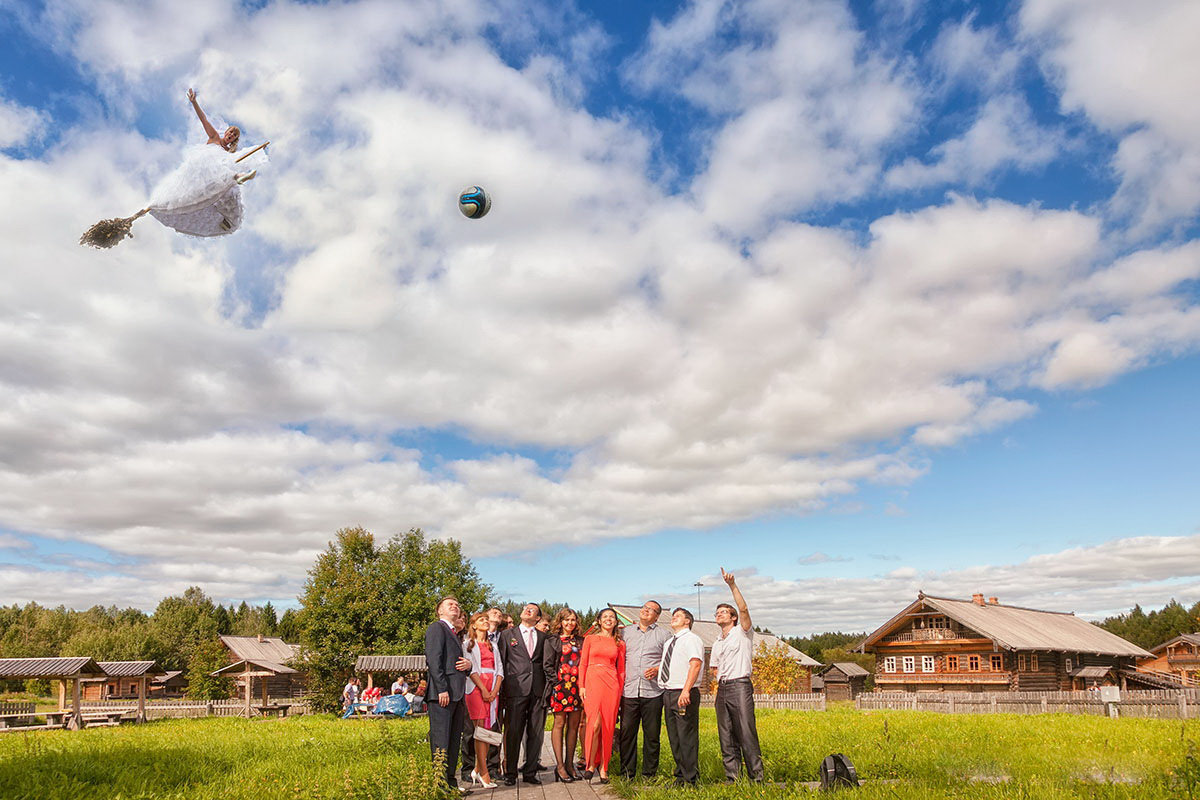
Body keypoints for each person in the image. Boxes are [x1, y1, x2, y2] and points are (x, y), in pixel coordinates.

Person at [711, 567, 765, 782]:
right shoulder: (717, 641)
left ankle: (756, 778)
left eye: (724, 612)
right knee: (726, 735)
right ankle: (733, 778)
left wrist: (732, 585)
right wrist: (718, 684)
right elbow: (714, 667)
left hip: (740, 686)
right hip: (722, 688)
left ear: (733, 618)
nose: (719, 615)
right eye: (717, 613)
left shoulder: (742, 632)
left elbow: (744, 609)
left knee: (746, 732)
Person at [497, 602, 551, 786]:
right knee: (513, 732)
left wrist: (547, 690)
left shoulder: (544, 638)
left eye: (532, 610)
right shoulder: (507, 635)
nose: (527, 610)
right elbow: (502, 663)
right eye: (526, 608)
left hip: (537, 690)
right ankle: (510, 773)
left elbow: (546, 664)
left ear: (537, 618)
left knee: (536, 732)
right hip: (515, 689)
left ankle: (530, 771)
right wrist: (502, 691)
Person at [424, 596, 472, 790]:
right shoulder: (437, 628)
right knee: (441, 741)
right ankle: (439, 785)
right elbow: (434, 661)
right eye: (449, 604)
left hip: (457, 695)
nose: (455, 606)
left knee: (453, 742)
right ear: (440, 611)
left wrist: (468, 666)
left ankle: (450, 784)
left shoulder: (454, 633)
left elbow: (457, 663)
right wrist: (442, 688)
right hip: (442, 695)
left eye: (457, 605)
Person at [619, 600, 672, 780]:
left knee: (652, 735)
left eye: (651, 610)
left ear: (657, 616)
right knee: (627, 734)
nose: (646, 611)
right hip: (629, 691)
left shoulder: (664, 635)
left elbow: (670, 660)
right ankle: (627, 773)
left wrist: (657, 669)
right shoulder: (624, 633)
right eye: (644, 607)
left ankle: (649, 774)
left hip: (653, 692)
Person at [659, 607, 704, 787]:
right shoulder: (669, 642)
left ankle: (691, 779)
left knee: (687, 736)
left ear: (687, 621)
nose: (673, 618)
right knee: (674, 737)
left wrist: (686, 690)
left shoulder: (692, 639)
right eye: (673, 616)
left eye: (678, 616)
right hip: (668, 692)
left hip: (683, 692)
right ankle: (680, 776)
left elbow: (695, 665)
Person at [580, 608, 626, 783]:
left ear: (615, 622)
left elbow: (621, 670)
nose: (609, 619)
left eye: (612, 617)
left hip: (611, 685)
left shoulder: (619, 643)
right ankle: (590, 763)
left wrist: (620, 693)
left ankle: (603, 768)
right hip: (592, 683)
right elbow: (583, 664)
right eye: (605, 617)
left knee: (607, 725)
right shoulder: (590, 639)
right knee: (594, 724)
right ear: (599, 621)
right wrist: (581, 686)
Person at [464, 611, 504, 789]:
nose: (486, 622)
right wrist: (483, 689)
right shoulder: (467, 645)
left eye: (487, 619)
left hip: (492, 687)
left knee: (489, 730)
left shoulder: (493, 645)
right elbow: (471, 670)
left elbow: (500, 669)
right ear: (474, 625)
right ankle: (483, 771)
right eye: (482, 620)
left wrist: (495, 690)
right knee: (479, 728)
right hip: (476, 687)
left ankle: (477, 768)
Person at [544, 607, 584, 782]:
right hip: (561, 687)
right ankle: (559, 766)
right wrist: (556, 684)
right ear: (560, 622)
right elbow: (547, 665)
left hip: (578, 688)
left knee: (574, 726)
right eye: (566, 620)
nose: (570, 623)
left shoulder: (581, 641)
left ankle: (570, 764)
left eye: (573, 620)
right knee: (559, 724)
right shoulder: (552, 640)